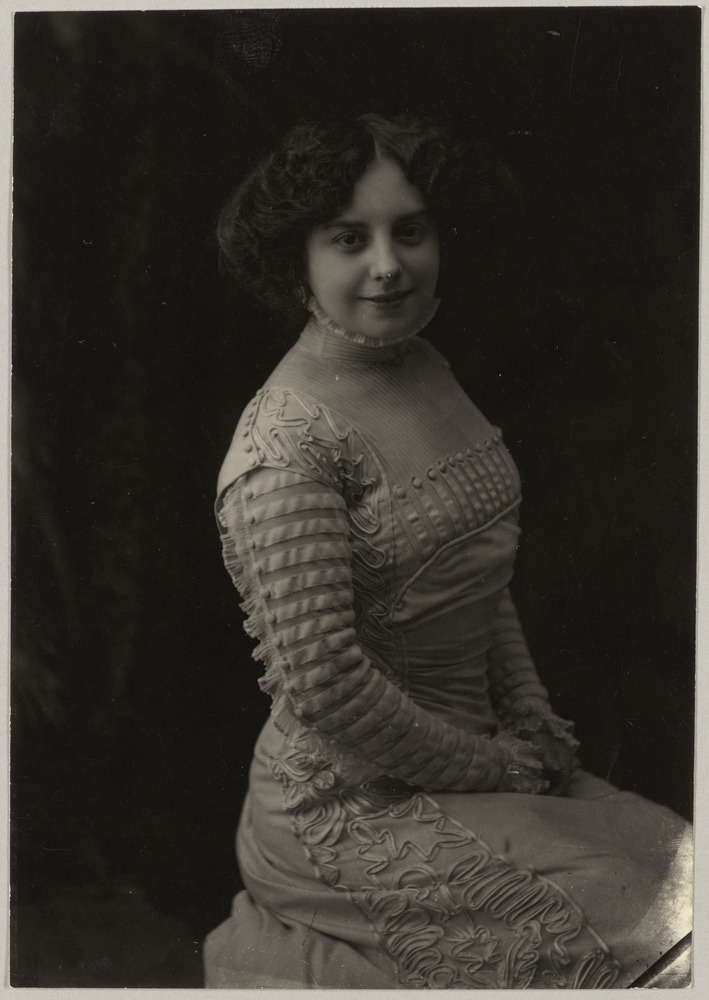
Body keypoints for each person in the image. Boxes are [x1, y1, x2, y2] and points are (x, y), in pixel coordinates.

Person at [203, 114, 692, 989]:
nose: (387, 265)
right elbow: (325, 687)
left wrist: (532, 717)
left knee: (681, 862)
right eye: (348, 239)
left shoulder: (420, 362)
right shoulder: (286, 447)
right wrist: (493, 765)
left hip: (485, 758)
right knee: (659, 921)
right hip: (351, 804)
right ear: (296, 258)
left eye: (410, 232)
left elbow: (474, 576)